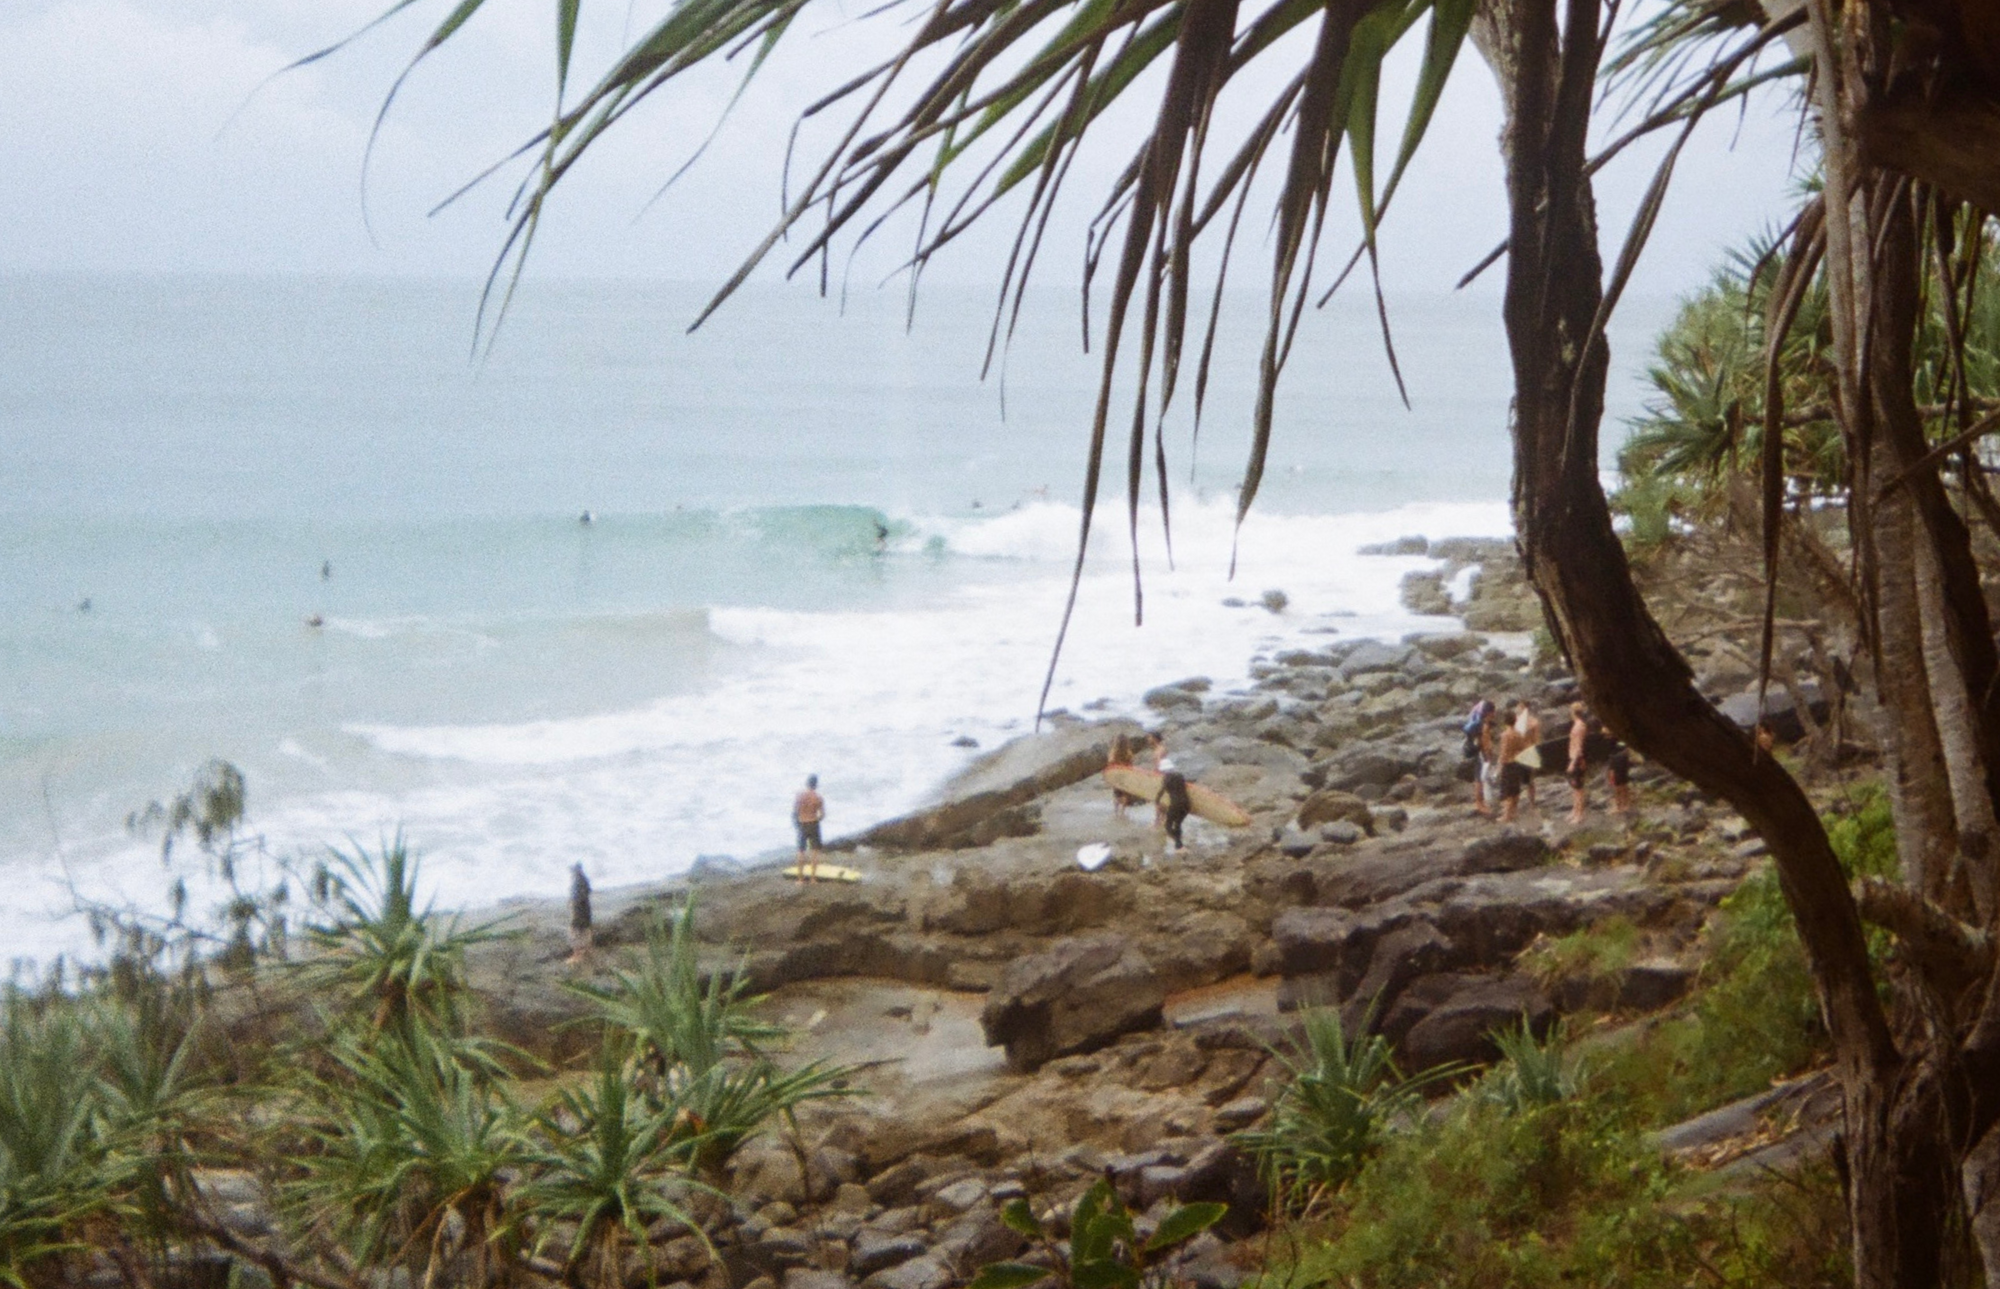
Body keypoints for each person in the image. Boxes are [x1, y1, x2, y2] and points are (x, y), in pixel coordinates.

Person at [1496, 704, 1532, 824]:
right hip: (1517, 762)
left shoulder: (1505, 735)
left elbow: (1503, 752)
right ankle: (1514, 812)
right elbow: (1523, 747)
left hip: (1508, 764)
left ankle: (1506, 816)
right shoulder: (1518, 734)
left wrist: (1499, 766)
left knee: (1507, 791)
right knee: (1515, 790)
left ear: (1505, 722)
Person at [792, 774, 827, 882]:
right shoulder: (818, 798)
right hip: (813, 823)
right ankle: (813, 878)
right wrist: (816, 818)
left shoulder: (799, 796)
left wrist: (797, 823)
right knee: (815, 851)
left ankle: (800, 879)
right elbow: (822, 815)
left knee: (801, 851)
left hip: (802, 823)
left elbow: (795, 812)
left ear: (807, 783)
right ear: (816, 785)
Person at [1513, 699, 1544, 808]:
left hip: (1526, 752)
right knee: (1521, 780)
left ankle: (1531, 802)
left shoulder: (1532, 722)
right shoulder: (1517, 721)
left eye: (1519, 706)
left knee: (1529, 780)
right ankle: (1520, 803)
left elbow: (1537, 740)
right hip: (1522, 752)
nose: (1517, 709)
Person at [1566, 702, 1591, 823]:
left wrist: (1573, 762)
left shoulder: (1580, 726)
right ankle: (1575, 810)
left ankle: (1580, 814)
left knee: (1578, 788)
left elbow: (1579, 746)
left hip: (1577, 758)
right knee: (1574, 786)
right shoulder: (1576, 725)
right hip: (1573, 757)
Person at [1107, 733, 1140, 819]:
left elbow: (1110, 762)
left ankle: (1116, 810)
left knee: (1116, 793)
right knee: (1124, 793)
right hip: (1125, 774)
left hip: (1116, 774)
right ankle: (1122, 811)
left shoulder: (1113, 751)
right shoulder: (1128, 752)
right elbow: (1131, 764)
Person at [1158, 769, 1192, 851]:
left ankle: (1179, 844)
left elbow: (1159, 795)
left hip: (1175, 805)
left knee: (1168, 826)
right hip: (1187, 804)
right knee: (1178, 824)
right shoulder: (1182, 783)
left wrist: (1158, 804)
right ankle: (1179, 844)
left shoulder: (1167, 784)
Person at [567, 862, 593, 964]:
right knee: (586, 931)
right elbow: (588, 892)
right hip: (586, 911)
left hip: (579, 912)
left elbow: (579, 898)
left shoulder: (578, 881)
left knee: (575, 933)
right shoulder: (584, 880)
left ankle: (577, 955)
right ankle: (587, 952)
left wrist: (573, 902)